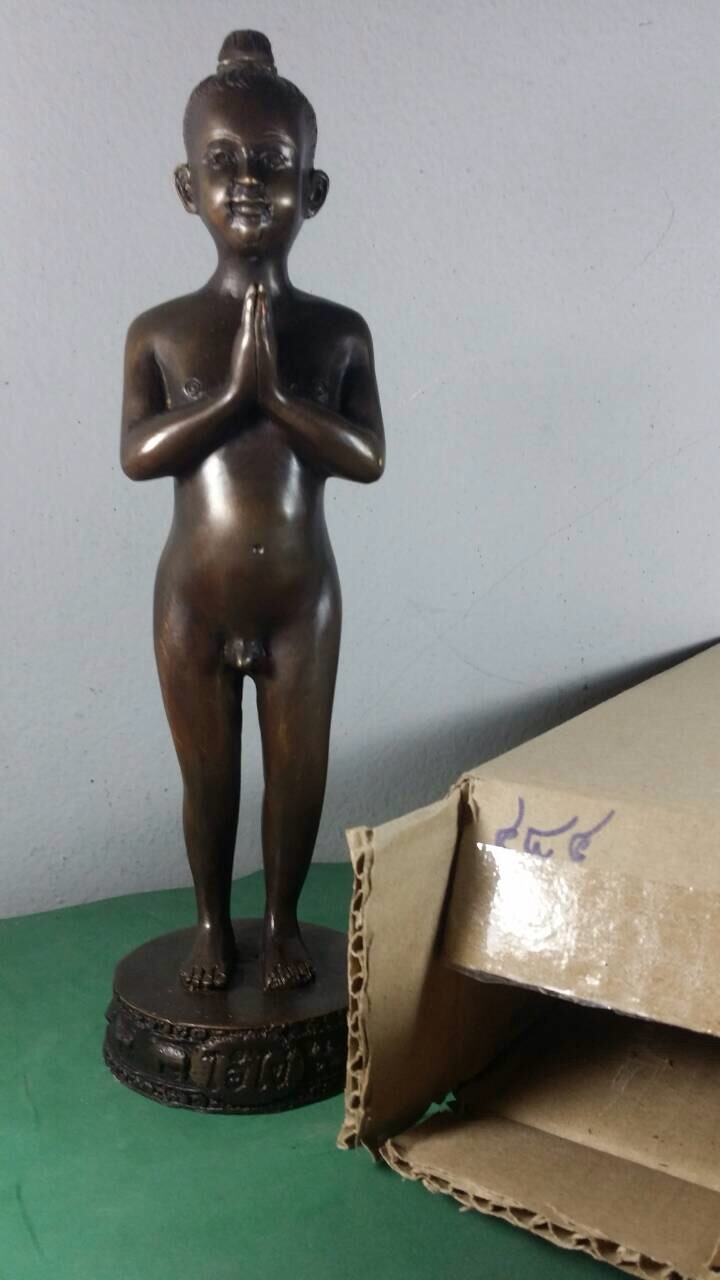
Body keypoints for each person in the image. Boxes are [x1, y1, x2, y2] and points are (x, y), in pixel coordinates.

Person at [120, 30, 384, 993]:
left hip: (301, 598)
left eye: (271, 164)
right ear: (186, 185)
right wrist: (232, 396)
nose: (245, 184)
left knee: (298, 770)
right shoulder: (160, 332)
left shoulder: (337, 332)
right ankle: (209, 921)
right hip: (192, 597)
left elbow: (368, 457)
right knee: (208, 776)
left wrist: (279, 397)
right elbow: (138, 455)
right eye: (222, 162)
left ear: (312, 190)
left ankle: (278, 922)